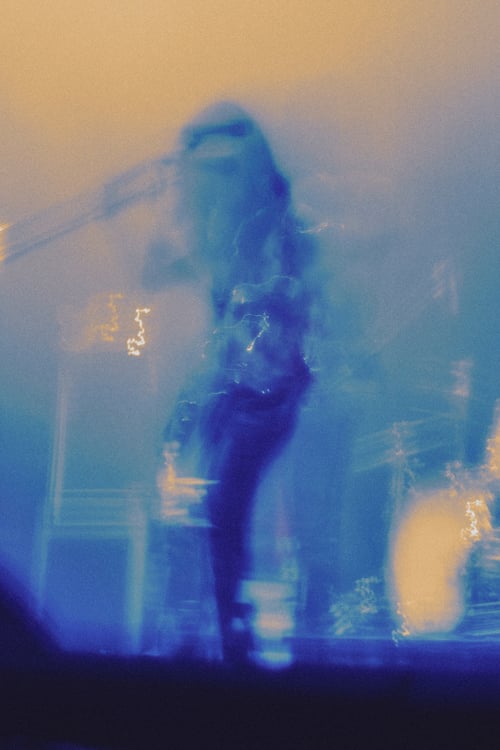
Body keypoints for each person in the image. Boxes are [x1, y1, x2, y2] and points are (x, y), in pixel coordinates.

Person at [144, 101, 317, 661]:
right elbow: (156, 272)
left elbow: (269, 318)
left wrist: (195, 142)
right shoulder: (225, 235)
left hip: (266, 396)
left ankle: (233, 640)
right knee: (191, 497)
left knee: (224, 516)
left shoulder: (275, 230)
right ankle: (195, 628)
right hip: (235, 386)